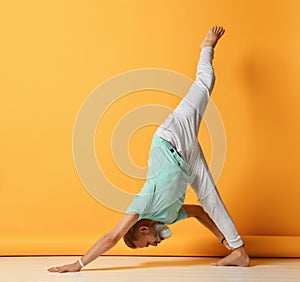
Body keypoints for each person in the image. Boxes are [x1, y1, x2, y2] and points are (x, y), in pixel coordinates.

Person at [48, 26, 250, 273]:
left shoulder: (143, 204)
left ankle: (206, 47)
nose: (154, 245)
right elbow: (199, 213)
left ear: (143, 229)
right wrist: (223, 240)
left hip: (170, 138)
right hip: (187, 161)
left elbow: (111, 237)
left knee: (206, 83)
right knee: (210, 199)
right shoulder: (168, 217)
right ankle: (238, 251)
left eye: (147, 244)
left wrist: (78, 264)